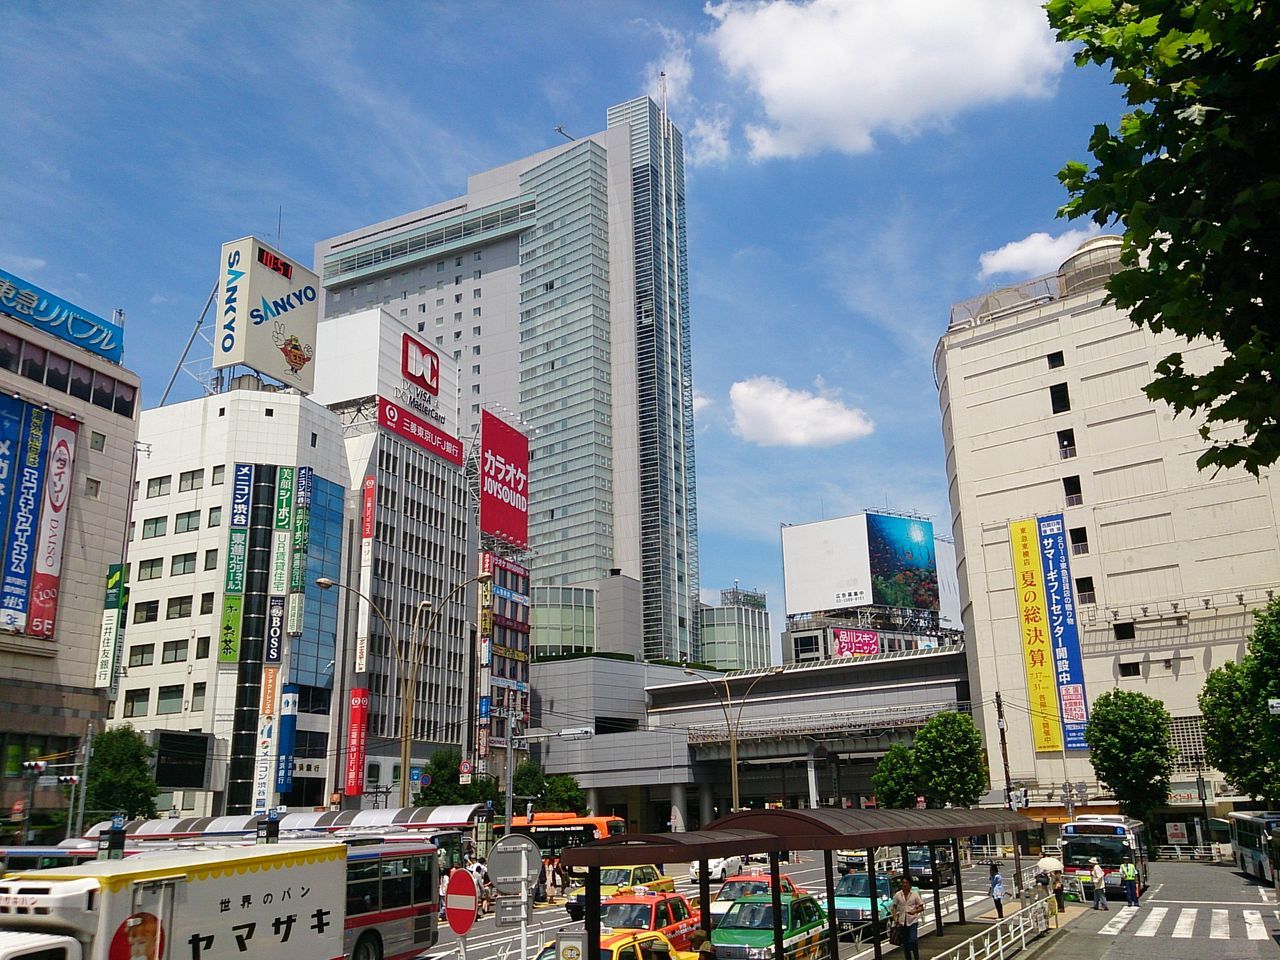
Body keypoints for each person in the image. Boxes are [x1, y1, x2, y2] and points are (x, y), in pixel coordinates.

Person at [892, 875, 925, 960]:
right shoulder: (898, 894)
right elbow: (894, 907)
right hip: (902, 922)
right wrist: (895, 918)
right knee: (905, 943)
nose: (904, 884)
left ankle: (916, 957)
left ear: (910, 884)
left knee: (913, 940)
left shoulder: (914, 894)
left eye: (906, 883)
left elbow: (921, 907)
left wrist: (914, 911)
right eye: (903, 883)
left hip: (912, 920)